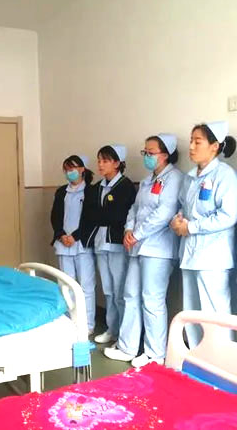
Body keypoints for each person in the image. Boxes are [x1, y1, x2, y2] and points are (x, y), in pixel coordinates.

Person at [104, 134, 183, 366]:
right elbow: (134, 209)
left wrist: (137, 234)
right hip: (138, 246)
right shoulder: (149, 180)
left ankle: (155, 354)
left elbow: (164, 212)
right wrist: (129, 230)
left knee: (152, 300)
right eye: (145, 152)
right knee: (130, 295)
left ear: (165, 154)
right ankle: (127, 347)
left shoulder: (174, 178)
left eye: (151, 152)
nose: (146, 156)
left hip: (159, 249)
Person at [170, 122, 237, 347]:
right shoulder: (190, 177)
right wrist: (177, 221)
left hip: (213, 257)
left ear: (214, 146)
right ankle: (196, 357)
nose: (191, 146)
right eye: (191, 141)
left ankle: (219, 361)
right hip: (190, 254)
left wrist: (190, 227)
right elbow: (183, 207)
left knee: (214, 315)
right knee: (191, 313)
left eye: (197, 142)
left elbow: (228, 216)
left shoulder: (226, 176)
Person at [80, 145, 136, 345]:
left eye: (105, 161)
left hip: (118, 244)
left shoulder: (125, 186)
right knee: (109, 290)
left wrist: (104, 215)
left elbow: (118, 215)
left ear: (117, 163)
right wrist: (104, 215)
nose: (100, 165)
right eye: (99, 160)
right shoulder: (96, 188)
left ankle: (123, 334)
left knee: (120, 291)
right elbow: (91, 214)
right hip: (100, 243)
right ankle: (112, 329)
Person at [50, 155, 97, 334]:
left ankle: (88, 324)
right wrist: (61, 235)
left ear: (82, 169)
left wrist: (75, 236)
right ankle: (69, 321)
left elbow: (91, 219)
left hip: (82, 244)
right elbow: (55, 216)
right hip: (63, 244)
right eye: (66, 169)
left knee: (86, 286)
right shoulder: (61, 191)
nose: (69, 172)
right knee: (66, 285)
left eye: (72, 168)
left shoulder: (91, 191)